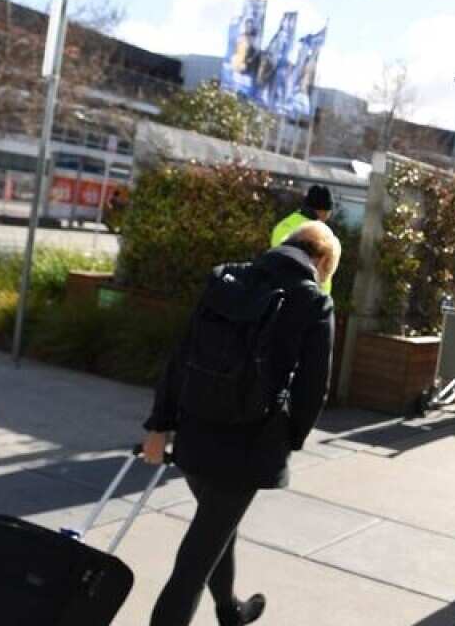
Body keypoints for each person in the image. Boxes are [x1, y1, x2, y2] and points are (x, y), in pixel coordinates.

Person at [141, 221, 340, 626]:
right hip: (251, 443)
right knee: (196, 559)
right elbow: (312, 388)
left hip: (195, 429)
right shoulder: (313, 302)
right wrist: (291, 440)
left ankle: (229, 611)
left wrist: (159, 426)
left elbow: (181, 357)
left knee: (216, 528)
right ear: (320, 261)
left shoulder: (225, 280)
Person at [269, 185, 337, 294]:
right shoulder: (319, 233)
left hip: (280, 293)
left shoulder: (284, 225)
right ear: (323, 211)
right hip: (308, 297)